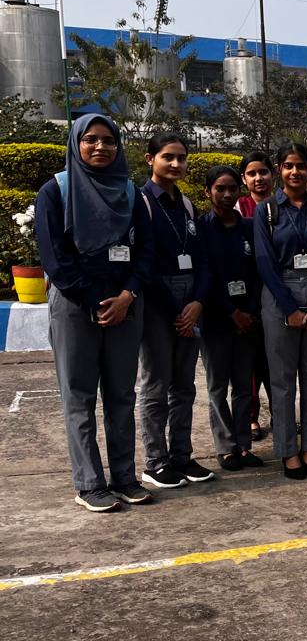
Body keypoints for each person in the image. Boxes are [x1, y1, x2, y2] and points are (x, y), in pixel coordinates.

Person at [37, 114, 155, 512]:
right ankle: (89, 483)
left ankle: (124, 477)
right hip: (76, 306)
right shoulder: (56, 190)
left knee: (121, 395)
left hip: (125, 305)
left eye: (108, 140)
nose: (100, 147)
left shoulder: (130, 192)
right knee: (79, 396)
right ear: (76, 144)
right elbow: (55, 259)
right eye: (91, 139)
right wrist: (94, 301)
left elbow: (145, 253)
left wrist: (127, 296)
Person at [255, 142, 307, 480]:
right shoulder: (267, 211)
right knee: (283, 380)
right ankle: (288, 451)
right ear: (279, 170)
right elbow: (264, 262)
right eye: (288, 165)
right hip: (280, 294)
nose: (294, 172)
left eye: (301, 165)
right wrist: (288, 307)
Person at [137, 132, 213, 489]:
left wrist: (196, 302)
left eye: (181, 157)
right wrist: (175, 310)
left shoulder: (186, 205)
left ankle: (182, 456)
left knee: (184, 386)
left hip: (190, 300)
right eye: (168, 156)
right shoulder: (141, 203)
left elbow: (202, 260)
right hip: (158, 302)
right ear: (150, 159)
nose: (176, 163)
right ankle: (155, 462)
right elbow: (144, 263)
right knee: (156, 386)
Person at [200, 165, 264, 472]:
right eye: (220, 189)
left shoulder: (249, 228)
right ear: (208, 192)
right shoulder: (201, 229)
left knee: (243, 387)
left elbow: (259, 272)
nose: (227, 194)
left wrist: (248, 312)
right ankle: (225, 447)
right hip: (216, 319)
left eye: (232, 189)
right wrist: (231, 312)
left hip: (247, 321)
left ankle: (243, 444)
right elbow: (205, 276)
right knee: (217, 387)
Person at [238, 150, 274, 440]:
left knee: (277, 361)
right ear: (244, 179)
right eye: (252, 173)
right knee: (249, 362)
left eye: (263, 171)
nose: (258, 178)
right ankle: (251, 417)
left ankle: (280, 412)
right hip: (249, 294)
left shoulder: (283, 206)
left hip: (278, 293)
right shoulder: (239, 207)